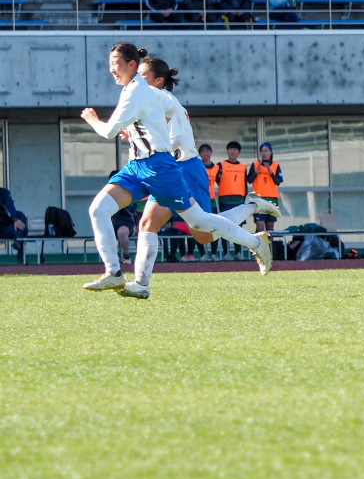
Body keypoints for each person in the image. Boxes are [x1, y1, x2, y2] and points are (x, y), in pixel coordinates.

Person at [79, 41, 272, 296]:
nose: (111, 69)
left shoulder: (144, 92)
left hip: (169, 167)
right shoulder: (142, 92)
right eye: (110, 64)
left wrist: (92, 119)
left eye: (115, 63)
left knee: (202, 229)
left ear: (134, 66)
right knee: (108, 211)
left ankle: (255, 237)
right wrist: (142, 131)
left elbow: (110, 131)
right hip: (139, 166)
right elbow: (163, 112)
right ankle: (119, 275)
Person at [133, 56, 277, 275]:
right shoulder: (154, 102)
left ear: (158, 80)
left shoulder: (164, 100)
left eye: (143, 75)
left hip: (185, 169)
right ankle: (140, 284)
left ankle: (253, 220)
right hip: (169, 170)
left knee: (204, 234)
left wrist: (148, 147)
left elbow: (175, 139)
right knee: (148, 224)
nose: (138, 80)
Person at [247, 142, 283, 236]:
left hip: (272, 199)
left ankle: (269, 245)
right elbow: (249, 180)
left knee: (270, 227)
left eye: (266, 151)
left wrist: (270, 171)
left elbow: (278, 181)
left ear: (271, 152)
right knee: (260, 226)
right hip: (258, 199)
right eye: (262, 151)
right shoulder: (255, 164)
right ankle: (257, 244)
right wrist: (257, 171)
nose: (264, 153)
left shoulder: (275, 165)